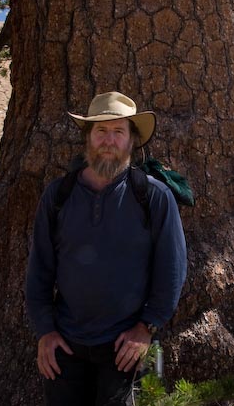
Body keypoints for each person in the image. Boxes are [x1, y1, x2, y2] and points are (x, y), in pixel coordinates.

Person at [25, 91, 187, 405]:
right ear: (88, 137)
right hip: (66, 345)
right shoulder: (59, 195)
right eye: (101, 131)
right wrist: (45, 331)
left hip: (126, 347)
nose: (109, 140)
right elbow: (40, 269)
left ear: (131, 141)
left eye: (118, 132)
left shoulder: (153, 197)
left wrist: (146, 328)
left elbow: (172, 269)